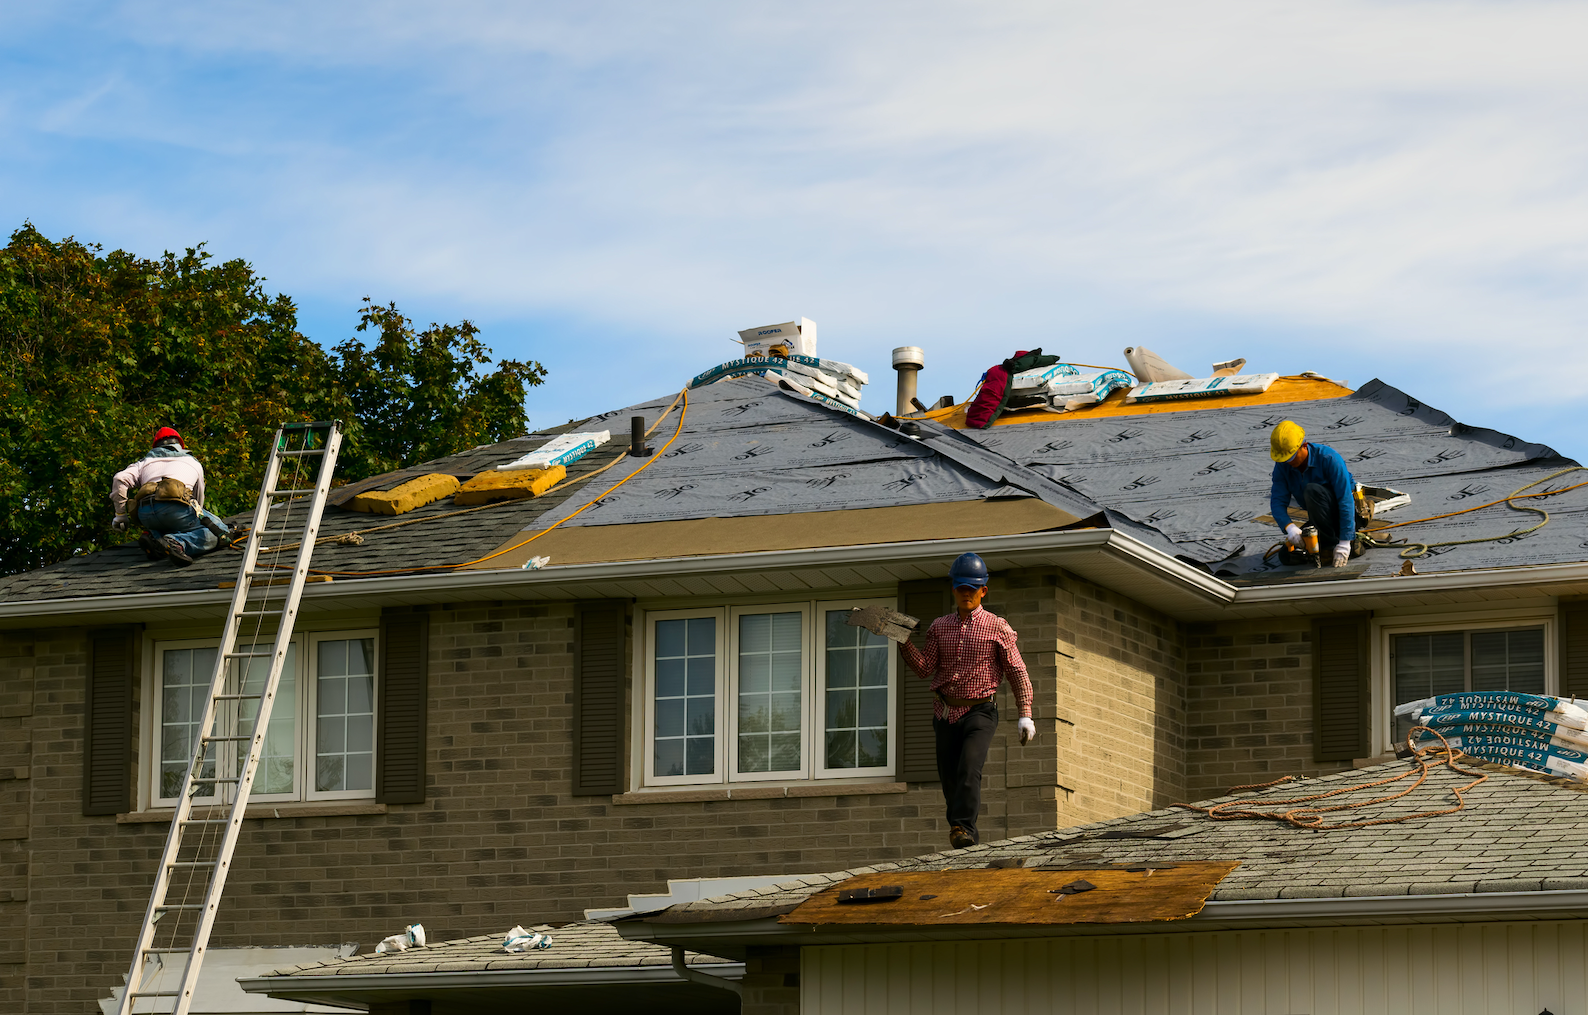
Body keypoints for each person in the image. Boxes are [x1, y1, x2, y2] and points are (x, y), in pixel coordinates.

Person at [899, 552, 1036, 849]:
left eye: (971, 590)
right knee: (949, 776)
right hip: (945, 710)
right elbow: (924, 668)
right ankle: (958, 827)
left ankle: (964, 828)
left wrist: (1025, 713)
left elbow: (1017, 671)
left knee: (969, 767)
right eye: (961, 589)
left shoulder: (998, 627)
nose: (966, 594)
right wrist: (903, 641)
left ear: (983, 590)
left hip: (980, 711)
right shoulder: (939, 627)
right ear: (954, 589)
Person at [110, 427, 230, 566]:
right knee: (219, 531)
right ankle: (178, 542)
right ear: (180, 445)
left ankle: (154, 537)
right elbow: (198, 502)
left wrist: (121, 515)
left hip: (146, 514)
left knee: (166, 523)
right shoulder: (192, 462)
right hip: (177, 510)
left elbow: (119, 479)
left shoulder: (143, 463)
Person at [1269, 419, 1361, 568]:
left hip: (1344, 516)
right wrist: (1290, 527)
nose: (1288, 462)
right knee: (1286, 555)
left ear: (1304, 446)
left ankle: (1334, 545)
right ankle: (1325, 548)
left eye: (1291, 457)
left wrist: (1344, 542)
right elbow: (1277, 501)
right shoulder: (1282, 466)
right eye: (1284, 459)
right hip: (1320, 520)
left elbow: (1345, 500)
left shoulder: (1329, 458)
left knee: (1312, 490)